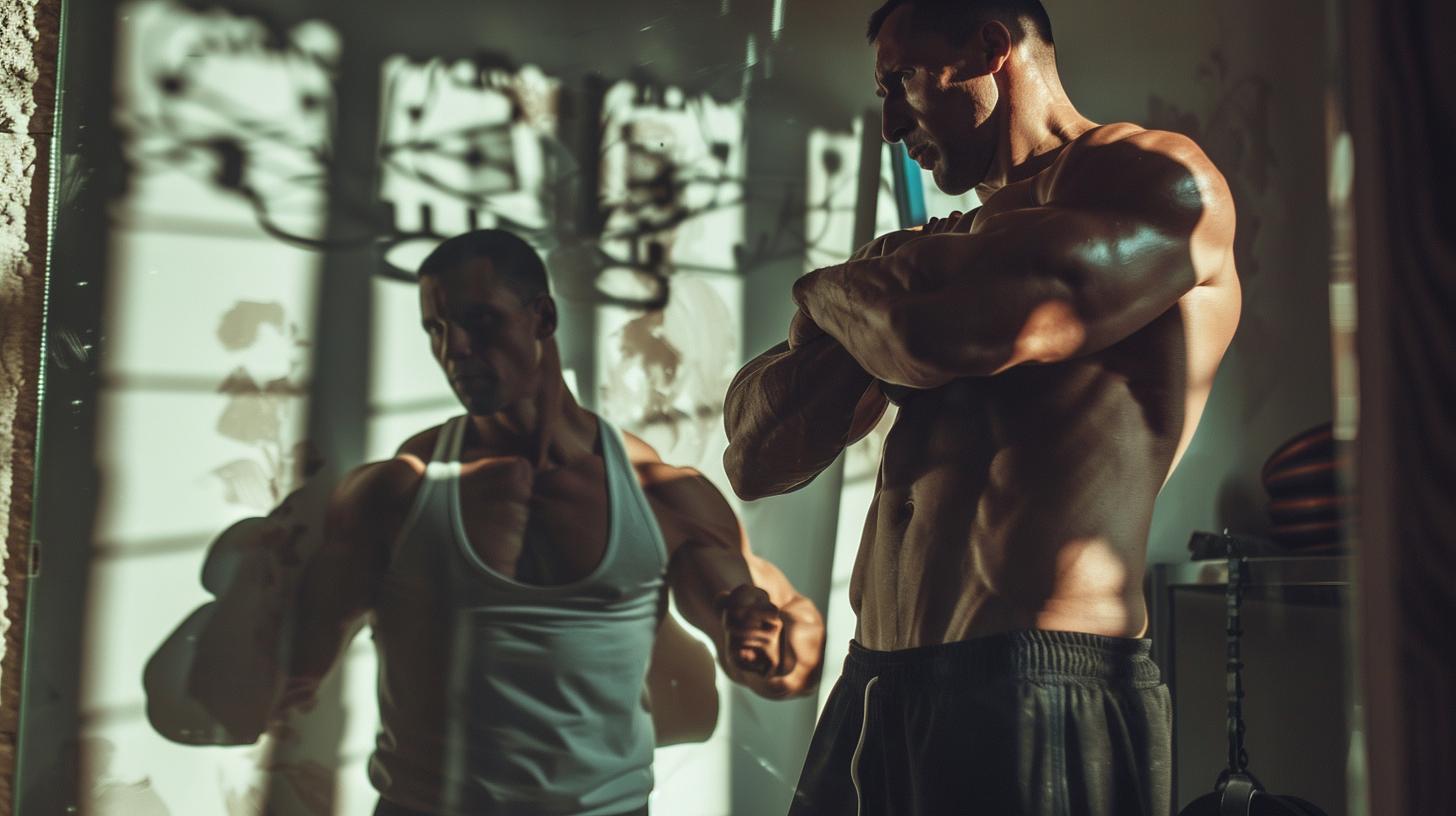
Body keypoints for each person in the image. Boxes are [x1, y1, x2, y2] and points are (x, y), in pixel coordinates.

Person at [723, 1, 1241, 814]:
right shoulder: (938, 250)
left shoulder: (1154, 179)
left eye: (902, 81)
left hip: (1037, 676)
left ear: (991, 48)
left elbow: (952, 334)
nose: (890, 123)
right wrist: (855, 295)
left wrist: (823, 290)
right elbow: (755, 458)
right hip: (876, 683)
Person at [280, 229, 825, 816]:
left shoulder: (656, 493)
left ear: (541, 318)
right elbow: (290, 668)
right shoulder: (400, 492)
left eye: (479, 321)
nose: (454, 348)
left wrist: (762, 644)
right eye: (436, 329)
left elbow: (785, 653)